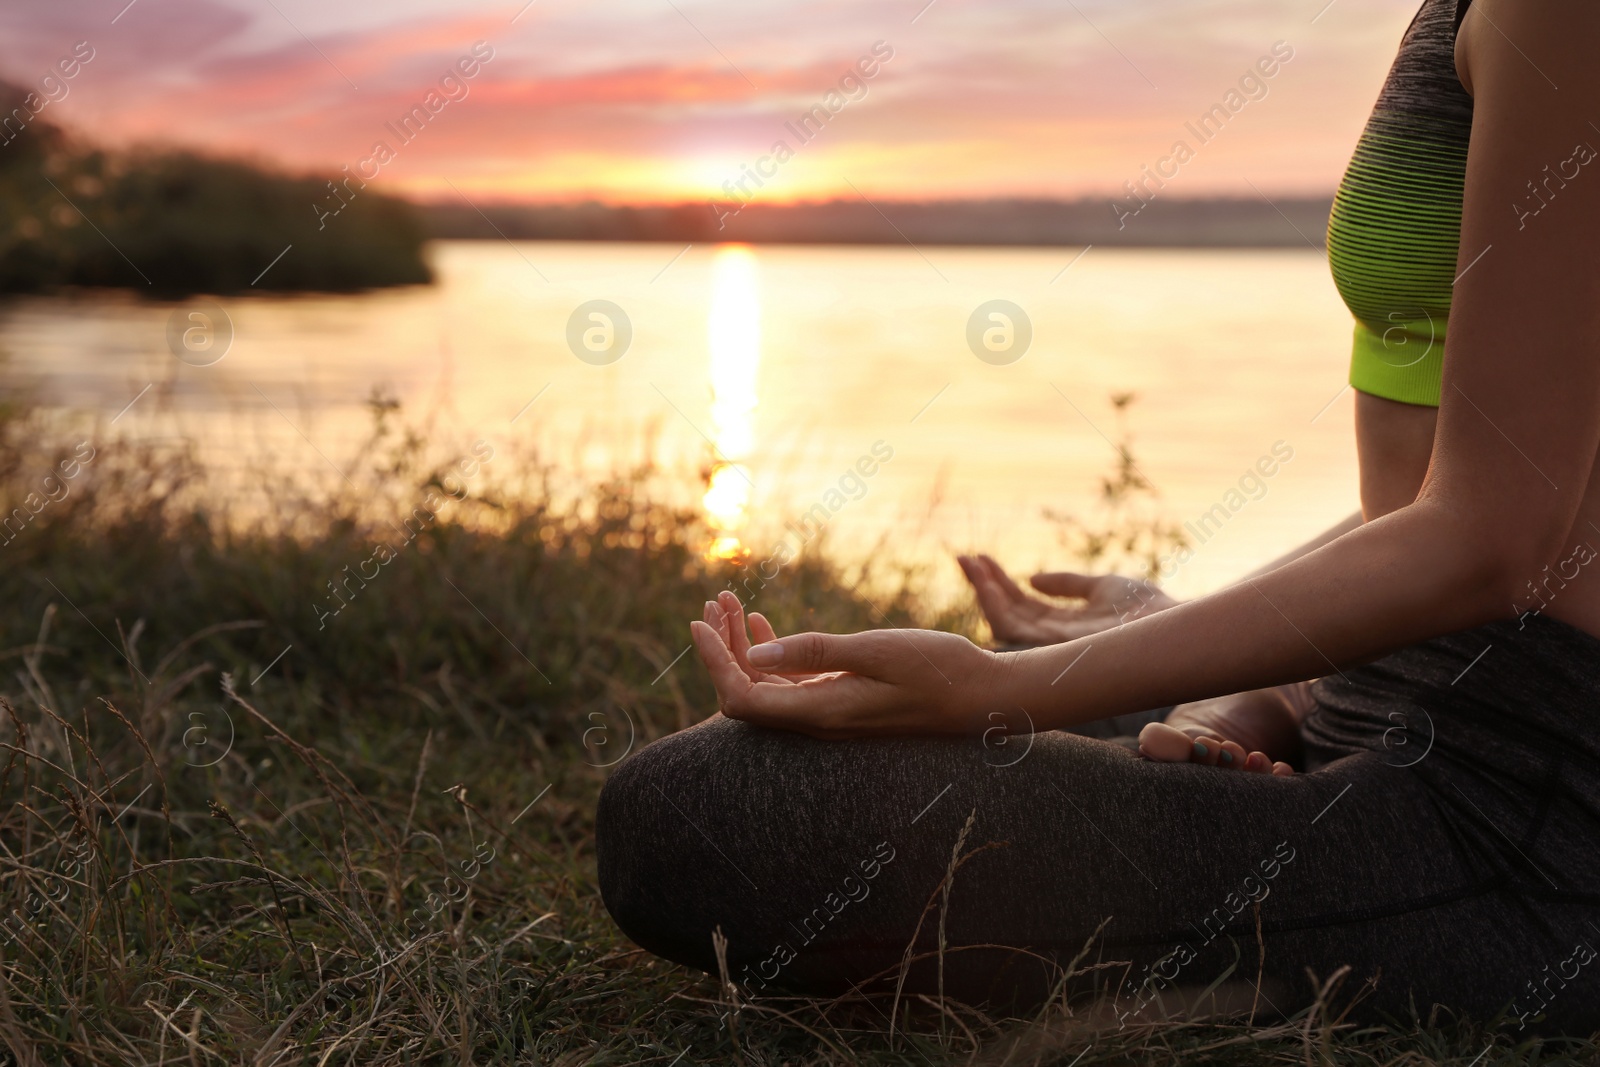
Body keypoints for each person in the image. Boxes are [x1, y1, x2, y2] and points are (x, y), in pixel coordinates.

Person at [598, 0, 1600, 1032]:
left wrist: (1002, 690)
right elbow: (1458, 489)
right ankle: (1258, 725)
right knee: (787, 754)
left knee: (695, 816)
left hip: (1514, 809)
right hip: (1378, 698)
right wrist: (1205, 643)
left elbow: (1493, 535)